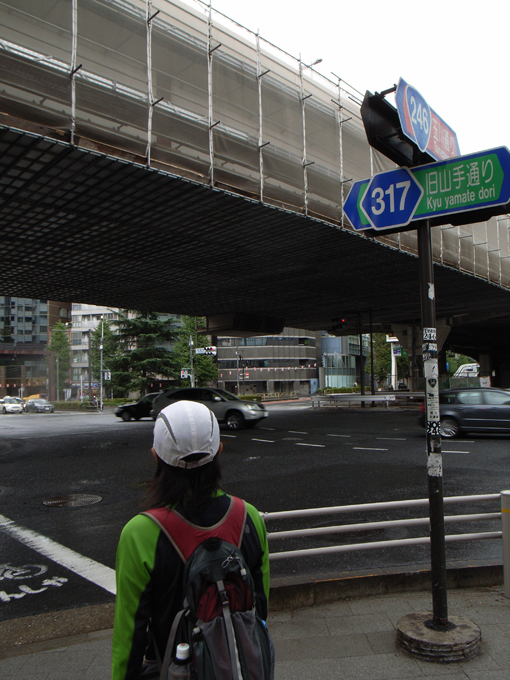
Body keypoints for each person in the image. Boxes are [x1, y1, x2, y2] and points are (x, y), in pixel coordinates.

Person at [112, 400, 270, 680]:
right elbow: (259, 609)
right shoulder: (249, 518)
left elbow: (130, 635)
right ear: (219, 451)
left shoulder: (140, 533)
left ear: (155, 456)